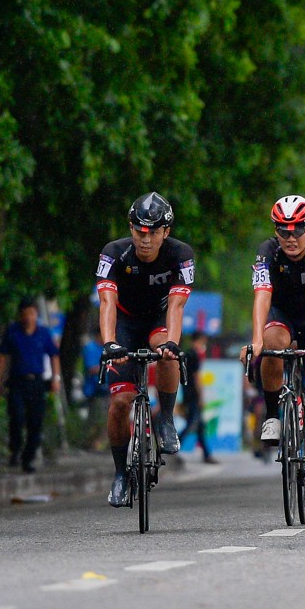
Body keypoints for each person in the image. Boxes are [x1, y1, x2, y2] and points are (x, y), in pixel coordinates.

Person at [96, 192, 194, 507]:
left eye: (153, 231)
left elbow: (177, 306)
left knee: (165, 350)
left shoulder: (181, 254)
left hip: (157, 321)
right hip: (124, 323)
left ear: (166, 232)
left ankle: (165, 417)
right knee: (121, 402)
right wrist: (109, 342)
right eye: (139, 230)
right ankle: (120, 473)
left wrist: (173, 344)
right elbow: (107, 301)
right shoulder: (114, 253)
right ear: (131, 228)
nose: (146, 238)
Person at [249, 195, 305, 498]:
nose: (291, 238)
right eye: (284, 231)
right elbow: (262, 295)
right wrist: (256, 340)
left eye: (298, 230)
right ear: (276, 232)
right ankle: (273, 415)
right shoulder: (268, 252)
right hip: (282, 316)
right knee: (272, 343)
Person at [0, 298, 61, 473]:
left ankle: (28, 458)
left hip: (37, 382)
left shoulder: (43, 333)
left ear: (36, 314)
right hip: (17, 382)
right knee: (16, 418)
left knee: (35, 422)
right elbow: (3, 356)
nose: (28, 317)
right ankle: (15, 449)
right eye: (25, 313)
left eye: (32, 313)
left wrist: (56, 378)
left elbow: (54, 355)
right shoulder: (12, 332)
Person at [177, 333, 215, 462]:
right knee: (191, 423)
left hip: (187, 393)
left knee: (199, 426)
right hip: (193, 395)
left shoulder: (186, 355)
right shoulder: (194, 355)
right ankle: (173, 447)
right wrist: (201, 396)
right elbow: (196, 377)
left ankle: (206, 454)